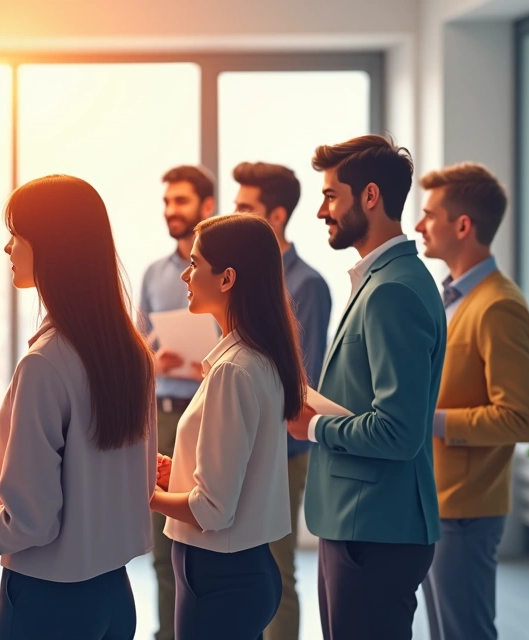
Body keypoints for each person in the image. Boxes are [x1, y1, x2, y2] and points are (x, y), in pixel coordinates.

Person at [0, 175, 156, 640]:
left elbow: (32, 522)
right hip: (115, 596)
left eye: (16, 236)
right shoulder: (132, 353)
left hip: (48, 601)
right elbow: (135, 487)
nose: (8, 248)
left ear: (51, 247)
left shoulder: (44, 364)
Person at [291, 135, 445, 640]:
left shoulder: (392, 290)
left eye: (330, 196)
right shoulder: (381, 279)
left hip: (375, 530)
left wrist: (315, 427)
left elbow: (399, 432)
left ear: (370, 196)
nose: (321, 211)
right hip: (362, 524)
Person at [151, 214, 303, 639]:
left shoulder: (232, 371)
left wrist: (145, 495)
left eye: (195, 264)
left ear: (227, 278)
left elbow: (212, 511)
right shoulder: (257, 358)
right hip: (237, 573)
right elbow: (235, 479)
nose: (185, 274)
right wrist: (177, 475)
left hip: (219, 579)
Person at [414, 162, 529, 640]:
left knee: (464, 632)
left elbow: (520, 418)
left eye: (429, 215)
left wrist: (429, 419)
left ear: (462, 225)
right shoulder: (453, 297)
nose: (420, 225)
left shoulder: (498, 305)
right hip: (438, 500)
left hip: (466, 509)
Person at [232, 161, 332, 640]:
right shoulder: (244, 280)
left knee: (277, 568)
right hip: (240, 446)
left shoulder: (307, 285)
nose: (235, 214)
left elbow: (297, 381)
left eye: (244, 207)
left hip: (282, 451)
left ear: (275, 215)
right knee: (243, 569)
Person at [137, 165, 215, 640]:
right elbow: (137, 349)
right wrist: (153, 361)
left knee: (212, 536)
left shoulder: (227, 272)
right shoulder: (153, 274)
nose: (171, 210)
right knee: (164, 547)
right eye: (167, 201)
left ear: (207, 205)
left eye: (181, 201)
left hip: (212, 413)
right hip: (165, 417)